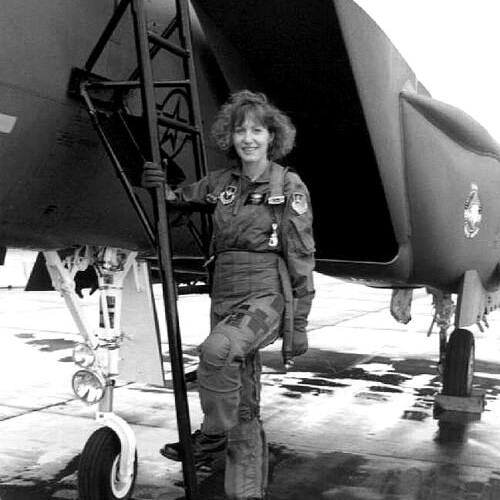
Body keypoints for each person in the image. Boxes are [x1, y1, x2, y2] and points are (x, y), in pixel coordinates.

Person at [143, 89, 315, 500]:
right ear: (231, 137)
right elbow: (176, 200)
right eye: (241, 131)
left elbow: (302, 253)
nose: (249, 138)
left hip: (266, 295)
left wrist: (301, 322)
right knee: (243, 406)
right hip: (224, 294)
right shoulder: (220, 184)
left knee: (217, 351)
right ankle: (245, 493)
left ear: (272, 136)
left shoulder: (287, 185)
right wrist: (156, 186)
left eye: (257, 130)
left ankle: (212, 436)